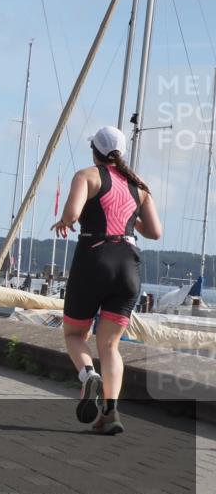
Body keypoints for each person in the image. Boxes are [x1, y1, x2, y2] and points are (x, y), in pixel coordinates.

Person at [51, 126, 161, 435]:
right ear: (121, 153)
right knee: (110, 345)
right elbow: (155, 232)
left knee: (75, 335)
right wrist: (128, 217)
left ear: (95, 151)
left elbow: (72, 214)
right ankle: (111, 414)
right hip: (128, 266)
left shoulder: (87, 175)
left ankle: (88, 376)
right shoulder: (140, 187)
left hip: (94, 259)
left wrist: (64, 221)